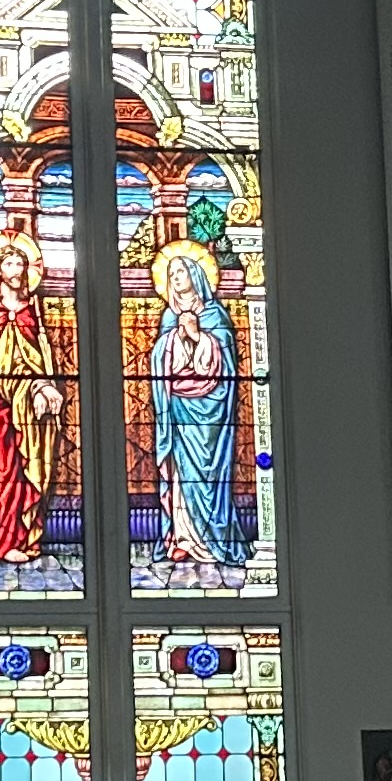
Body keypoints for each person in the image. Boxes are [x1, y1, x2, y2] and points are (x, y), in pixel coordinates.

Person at [0, 233, 71, 574]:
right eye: (8, 262)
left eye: (20, 262)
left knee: (30, 469)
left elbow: (42, 355)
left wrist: (44, 385)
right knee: (1, 474)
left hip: (32, 411)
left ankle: (24, 537)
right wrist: (21, 392)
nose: (16, 268)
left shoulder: (31, 308)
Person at [148, 240, 242, 578]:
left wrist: (199, 336)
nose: (175, 277)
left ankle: (213, 539)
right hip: (179, 407)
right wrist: (175, 337)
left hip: (211, 412)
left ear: (196, 275)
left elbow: (227, 363)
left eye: (181, 271)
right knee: (181, 475)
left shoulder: (215, 314)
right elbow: (160, 358)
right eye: (171, 272)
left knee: (208, 475)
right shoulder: (168, 316)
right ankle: (184, 536)